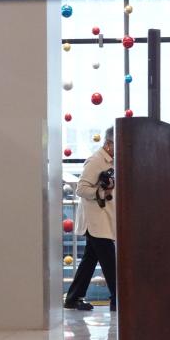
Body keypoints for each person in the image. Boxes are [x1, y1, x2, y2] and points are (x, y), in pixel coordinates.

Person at [65, 127, 117, 312]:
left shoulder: (110, 161)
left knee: (89, 260)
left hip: (102, 220)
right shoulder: (96, 161)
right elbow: (80, 189)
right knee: (110, 262)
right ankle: (117, 299)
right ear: (109, 144)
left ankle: (73, 298)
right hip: (96, 221)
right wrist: (101, 192)